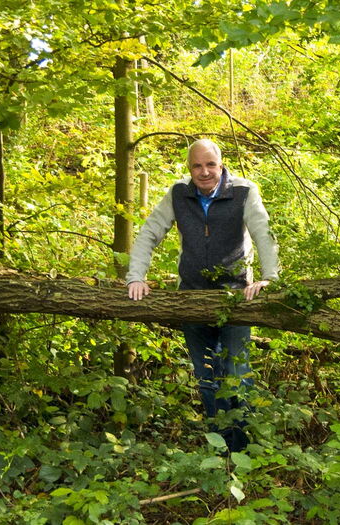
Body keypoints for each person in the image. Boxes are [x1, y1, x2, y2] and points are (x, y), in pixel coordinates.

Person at [126, 139, 279, 452]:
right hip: (191, 297)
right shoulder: (178, 193)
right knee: (207, 376)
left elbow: (263, 234)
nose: (204, 172)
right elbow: (149, 233)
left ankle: (243, 450)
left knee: (236, 374)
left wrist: (269, 279)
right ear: (189, 167)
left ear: (221, 165)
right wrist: (136, 277)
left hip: (236, 298)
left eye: (210, 164)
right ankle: (220, 447)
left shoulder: (243, 191)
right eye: (197, 165)